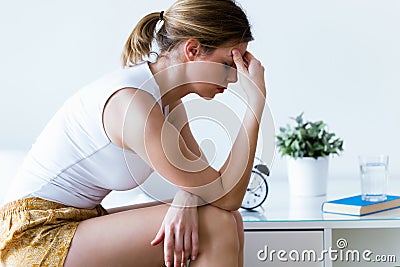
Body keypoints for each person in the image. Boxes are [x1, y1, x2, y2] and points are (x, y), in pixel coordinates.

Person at [0, 0, 267, 266]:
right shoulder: (132, 105)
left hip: (76, 219)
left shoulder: (167, 100)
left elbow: (208, 186)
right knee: (216, 223)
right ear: (193, 49)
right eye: (227, 64)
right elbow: (227, 196)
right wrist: (255, 104)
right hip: (35, 235)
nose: (234, 78)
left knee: (229, 219)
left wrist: (188, 194)